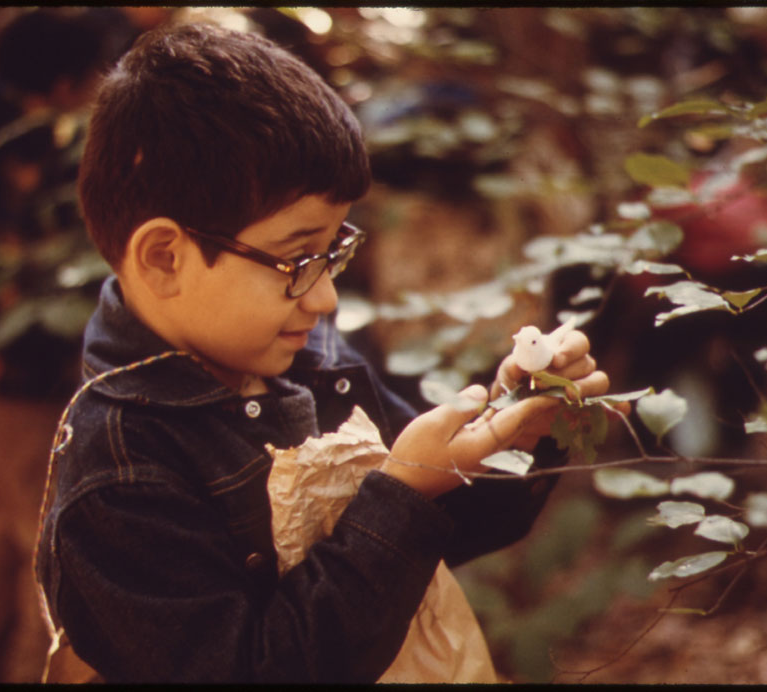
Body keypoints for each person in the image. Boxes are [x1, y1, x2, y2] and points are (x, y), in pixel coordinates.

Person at [34, 22, 613, 683]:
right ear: (165, 258)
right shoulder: (121, 480)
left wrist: (519, 429)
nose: (327, 299)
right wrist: (399, 494)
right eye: (296, 259)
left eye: (334, 252)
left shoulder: (313, 362)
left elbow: (441, 530)